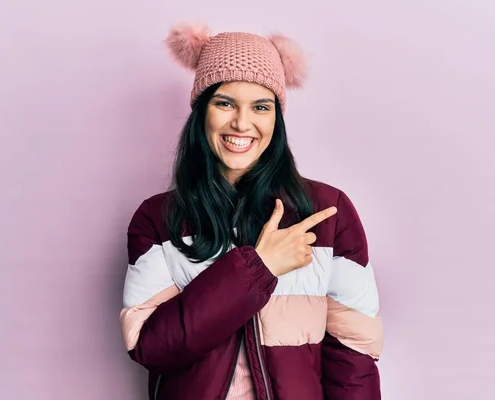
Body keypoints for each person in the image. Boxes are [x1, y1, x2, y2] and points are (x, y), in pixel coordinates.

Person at [119, 22, 384, 400]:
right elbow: (152, 346)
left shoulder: (327, 213)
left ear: (276, 118)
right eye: (224, 103)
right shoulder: (157, 220)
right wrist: (259, 267)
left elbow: (354, 354)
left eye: (261, 106)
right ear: (201, 112)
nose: (242, 123)